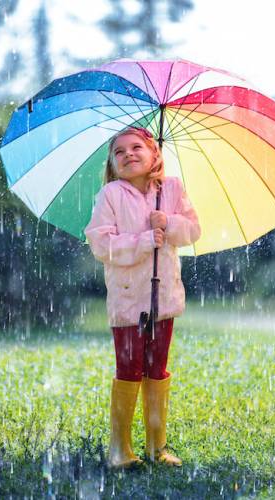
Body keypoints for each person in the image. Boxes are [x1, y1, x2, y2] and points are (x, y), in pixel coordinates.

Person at [85, 126, 201, 469]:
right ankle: (120, 449)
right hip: (127, 301)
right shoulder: (110, 195)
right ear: (112, 163)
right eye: (119, 152)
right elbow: (100, 243)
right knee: (129, 368)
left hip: (162, 298)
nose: (128, 154)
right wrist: (141, 241)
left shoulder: (172, 189)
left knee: (156, 367)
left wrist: (169, 221)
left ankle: (156, 446)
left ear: (155, 155)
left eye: (136, 147)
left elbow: (193, 230)